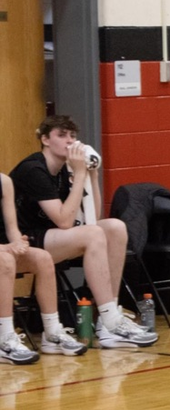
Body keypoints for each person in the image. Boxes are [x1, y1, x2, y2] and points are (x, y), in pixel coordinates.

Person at [10, 115, 157, 349]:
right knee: (93, 235)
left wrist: (91, 175)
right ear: (46, 140)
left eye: (73, 136)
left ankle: (109, 321)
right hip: (21, 240)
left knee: (115, 228)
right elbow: (65, 221)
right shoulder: (34, 169)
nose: (70, 142)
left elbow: (93, 218)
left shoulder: (64, 170)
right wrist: (79, 174)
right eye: (62, 135)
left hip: (49, 236)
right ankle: (111, 320)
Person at [1, 172, 87, 363]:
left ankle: (52, 332)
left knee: (42, 257)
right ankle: (4, 337)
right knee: (5, 261)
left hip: (3, 250)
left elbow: (11, 227)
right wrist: (5, 248)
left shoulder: (4, 182)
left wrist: (18, 242)